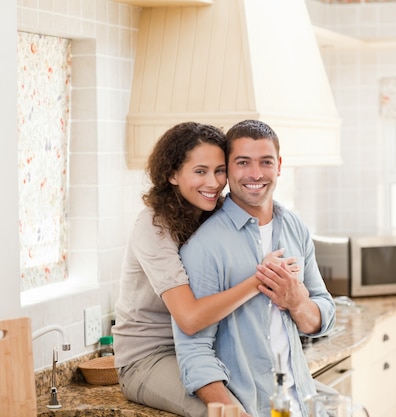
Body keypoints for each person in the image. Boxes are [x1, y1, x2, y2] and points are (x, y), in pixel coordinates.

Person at [112, 121, 297, 417]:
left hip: (207, 351)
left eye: (219, 170)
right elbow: (189, 318)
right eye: (200, 171)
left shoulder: (212, 213)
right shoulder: (153, 226)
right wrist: (260, 279)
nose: (213, 183)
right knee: (230, 413)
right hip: (152, 357)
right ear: (172, 174)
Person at [173, 119, 337, 417]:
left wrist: (298, 303)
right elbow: (194, 352)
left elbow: (324, 314)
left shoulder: (294, 227)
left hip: (303, 403)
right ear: (228, 169)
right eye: (243, 162)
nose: (255, 174)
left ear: (279, 165)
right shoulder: (204, 246)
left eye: (265, 162)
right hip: (252, 408)